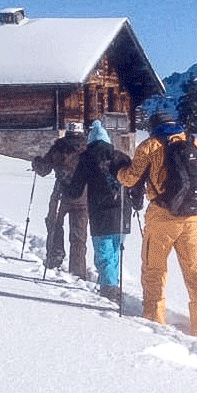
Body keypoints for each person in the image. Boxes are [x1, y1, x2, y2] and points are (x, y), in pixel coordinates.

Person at [117, 110, 197, 350]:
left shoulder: (150, 146)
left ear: (154, 126)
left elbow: (131, 179)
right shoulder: (196, 143)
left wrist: (119, 171)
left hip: (162, 217)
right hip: (195, 220)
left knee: (154, 270)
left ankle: (155, 322)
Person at [63, 121, 136, 307]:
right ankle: (112, 284)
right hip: (123, 212)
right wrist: (137, 202)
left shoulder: (87, 158)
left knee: (103, 253)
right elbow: (135, 182)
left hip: (100, 212)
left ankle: (109, 288)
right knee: (115, 250)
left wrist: (65, 183)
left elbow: (75, 190)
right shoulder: (122, 157)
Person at [30, 127, 90, 279]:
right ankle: (78, 271)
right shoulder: (87, 148)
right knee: (79, 235)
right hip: (82, 196)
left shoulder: (59, 146)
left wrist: (37, 162)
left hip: (61, 194)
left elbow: (43, 170)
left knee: (54, 224)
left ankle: (55, 257)